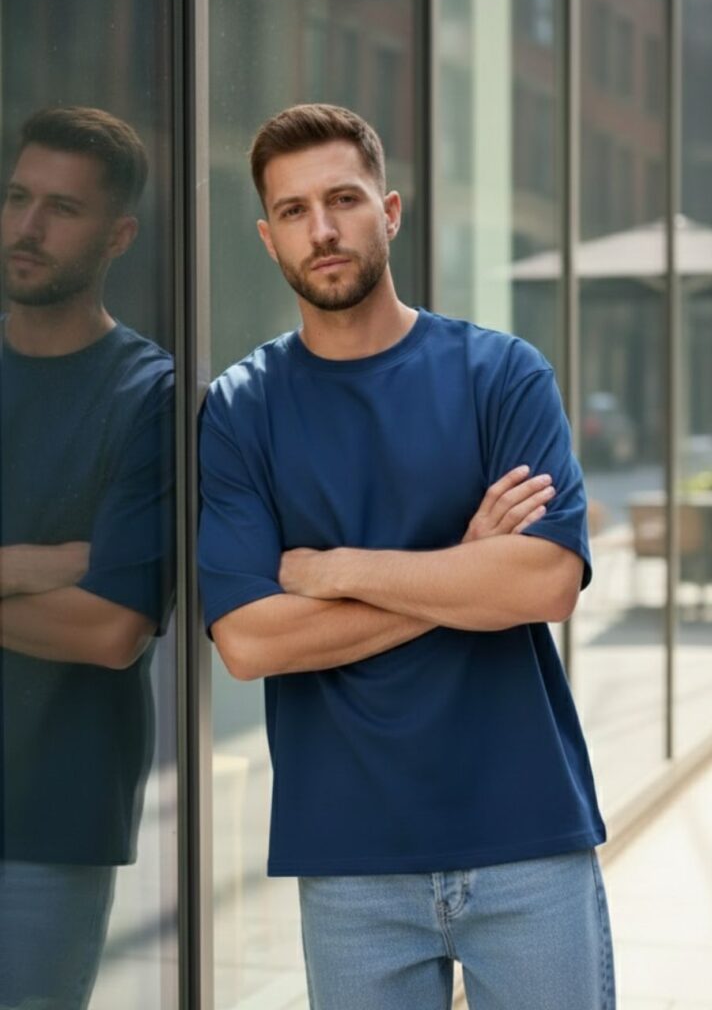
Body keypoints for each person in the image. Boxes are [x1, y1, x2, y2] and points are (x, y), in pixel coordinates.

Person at [198, 103, 614, 1010]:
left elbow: (542, 580)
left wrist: (331, 569)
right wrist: (462, 565)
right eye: (296, 211)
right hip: (349, 856)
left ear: (388, 212)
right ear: (268, 239)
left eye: (343, 199)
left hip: (525, 831)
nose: (324, 228)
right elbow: (249, 643)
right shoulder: (240, 410)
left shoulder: (500, 374)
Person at [0, 106, 174, 1010]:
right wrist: (33, 567)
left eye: (60, 209)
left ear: (119, 235)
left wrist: (80, 586)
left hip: (50, 821)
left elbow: (110, 629)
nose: (27, 228)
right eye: (18, 197)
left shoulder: (151, 398)